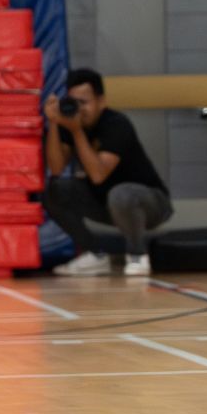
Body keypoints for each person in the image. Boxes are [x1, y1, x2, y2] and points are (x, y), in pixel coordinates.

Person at [43, 68, 173, 276]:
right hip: (108, 204)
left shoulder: (116, 124)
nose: (79, 109)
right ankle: (95, 255)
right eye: (74, 102)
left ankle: (137, 255)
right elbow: (56, 169)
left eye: (84, 102)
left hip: (149, 203)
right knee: (54, 190)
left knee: (121, 194)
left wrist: (76, 132)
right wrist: (54, 123)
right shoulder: (70, 124)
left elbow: (98, 174)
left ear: (101, 101)